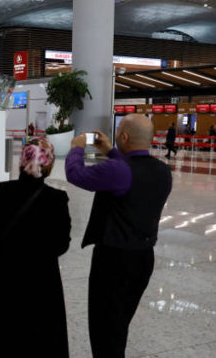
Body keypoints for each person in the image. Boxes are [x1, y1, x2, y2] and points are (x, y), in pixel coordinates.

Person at [65, 114, 172, 358]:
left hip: (114, 260)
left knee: (105, 330)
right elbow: (129, 174)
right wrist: (112, 151)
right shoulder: (163, 171)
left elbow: (76, 175)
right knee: (119, 323)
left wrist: (76, 149)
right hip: (143, 258)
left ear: (124, 136)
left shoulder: (118, 171)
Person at [0, 138, 71, 358]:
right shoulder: (57, 199)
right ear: (48, 165)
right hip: (43, 282)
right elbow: (62, 244)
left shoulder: (4, 191)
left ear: (22, 161)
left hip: (3, 279)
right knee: (40, 340)